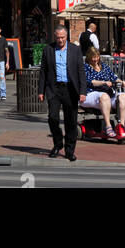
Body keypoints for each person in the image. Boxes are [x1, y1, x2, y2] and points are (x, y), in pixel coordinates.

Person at [38, 24, 88, 161]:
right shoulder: (48, 49)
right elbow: (43, 71)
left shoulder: (75, 50)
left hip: (70, 89)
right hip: (54, 88)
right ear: (55, 37)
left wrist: (82, 91)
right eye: (58, 38)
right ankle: (58, 142)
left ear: (67, 36)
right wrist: (41, 90)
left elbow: (80, 72)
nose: (60, 40)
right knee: (52, 118)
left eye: (63, 37)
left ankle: (69, 150)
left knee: (70, 121)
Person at [83, 47, 125, 140]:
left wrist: (122, 82)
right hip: (91, 93)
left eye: (97, 57)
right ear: (88, 57)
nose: (95, 59)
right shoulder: (85, 67)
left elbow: (113, 77)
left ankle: (121, 126)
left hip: (107, 93)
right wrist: (103, 82)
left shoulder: (103, 66)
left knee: (123, 96)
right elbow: (90, 81)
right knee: (104, 96)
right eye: (93, 57)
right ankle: (108, 127)